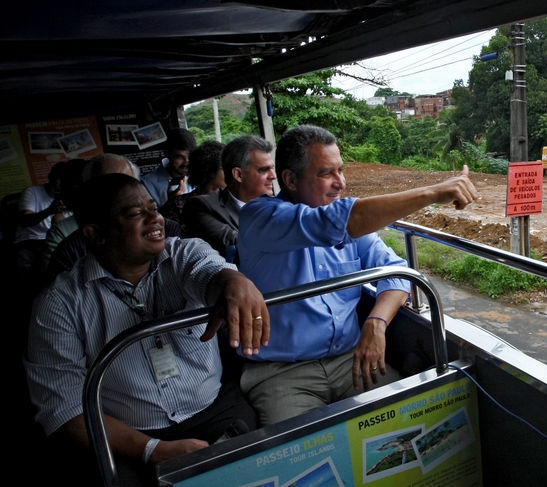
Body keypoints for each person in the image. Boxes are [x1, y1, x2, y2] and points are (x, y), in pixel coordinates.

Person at [24, 173, 269, 486]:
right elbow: (64, 408)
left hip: (213, 410)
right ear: (95, 233)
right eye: (135, 213)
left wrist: (236, 284)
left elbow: (210, 272)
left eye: (154, 208)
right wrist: (153, 450)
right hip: (128, 434)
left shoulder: (182, 253)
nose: (155, 218)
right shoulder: (59, 304)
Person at [236, 124, 478, 426]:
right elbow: (343, 222)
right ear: (290, 180)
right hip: (283, 372)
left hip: (349, 359)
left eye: (341, 170)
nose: (340, 183)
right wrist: (432, 192)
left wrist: (376, 323)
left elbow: (398, 272)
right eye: (326, 173)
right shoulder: (261, 218)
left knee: (411, 421)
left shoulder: (348, 225)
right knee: (299, 458)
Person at [182, 135, 275, 260]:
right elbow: (236, 241)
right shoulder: (200, 206)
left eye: (272, 169)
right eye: (264, 170)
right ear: (238, 175)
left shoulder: (278, 204)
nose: (273, 176)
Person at [42, 154, 137, 273]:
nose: (120, 193)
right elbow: (55, 284)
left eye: (127, 183)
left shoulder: (152, 223)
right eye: (108, 184)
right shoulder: (63, 234)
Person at [13, 161, 71, 291]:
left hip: (54, 241)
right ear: (51, 178)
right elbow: (26, 220)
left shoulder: (68, 197)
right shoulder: (32, 192)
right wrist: (49, 211)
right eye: (58, 179)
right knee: (25, 265)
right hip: (31, 241)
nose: (60, 184)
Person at [160, 140, 226, 225]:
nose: (234, 174)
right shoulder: (177, 207)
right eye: (226, 168)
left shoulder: (233, 201)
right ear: (210, 172)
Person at [141, 127, 197, 207]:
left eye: (191, 156)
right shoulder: (146, 184)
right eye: (179, 157)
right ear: (167, 153)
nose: (187, 162)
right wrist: (170, 205)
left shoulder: (201, 176)